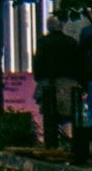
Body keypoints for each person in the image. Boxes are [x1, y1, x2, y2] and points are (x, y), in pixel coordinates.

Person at [33, 12, 82, 151]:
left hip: (49, 83)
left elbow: (39, 63)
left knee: (50, 114)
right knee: (70, 113)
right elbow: (78, 64)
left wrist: (39, 78)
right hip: (69, 83)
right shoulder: (71, 42)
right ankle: (73, 142)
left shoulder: (43, 42)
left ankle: (52, 144)